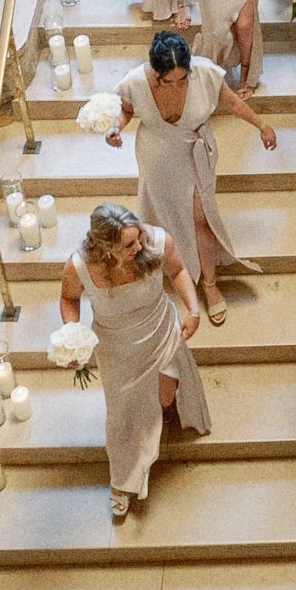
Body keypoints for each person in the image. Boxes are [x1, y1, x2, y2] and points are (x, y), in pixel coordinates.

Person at [107, 30, 277, 327]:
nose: (177, 85)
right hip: (157, 156)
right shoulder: (135, 82)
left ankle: (209, 283)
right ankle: (175, 267)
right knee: (161, 214)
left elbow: (233, 104)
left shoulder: (206, 73)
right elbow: (127, 111)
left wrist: (262, 125)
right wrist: (116, 128)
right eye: (168, 81)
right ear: (155, 73)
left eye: (183, 79)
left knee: (201, 218)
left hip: (194, 154)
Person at [59, 199, 208, 518]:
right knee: (122, 417)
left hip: (159, 330)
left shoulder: (157, 241)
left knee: (164, 396)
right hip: (117, 348)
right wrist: (72, 335)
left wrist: (193, 310)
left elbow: (178, 270)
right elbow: (69, 299)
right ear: (105, 247)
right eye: (129, 245)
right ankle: (122, 480)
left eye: (138, 236)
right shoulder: (79, 266)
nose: (139, 246)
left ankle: (163, 413)